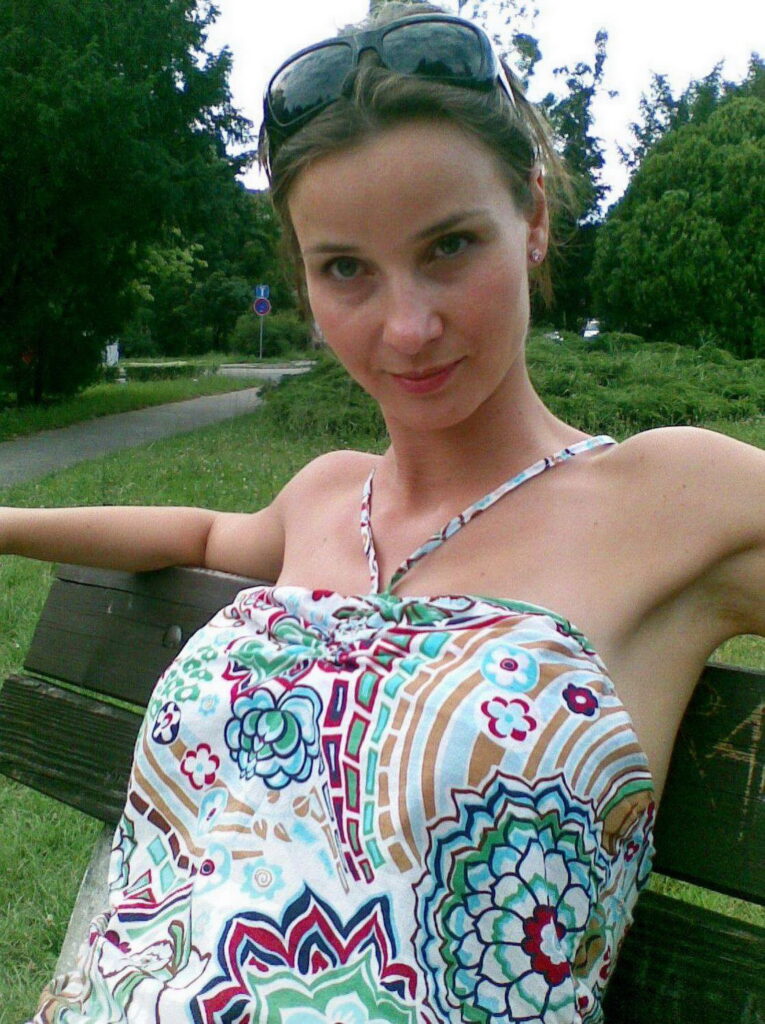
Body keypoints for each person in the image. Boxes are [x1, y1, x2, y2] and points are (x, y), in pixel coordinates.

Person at [4, 3, 763, 1022]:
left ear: (533, 218)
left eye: (450, 245)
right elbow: (203, 536)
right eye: (346, 269)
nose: (407, 326)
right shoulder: (328, 491)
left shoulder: (671, 500)